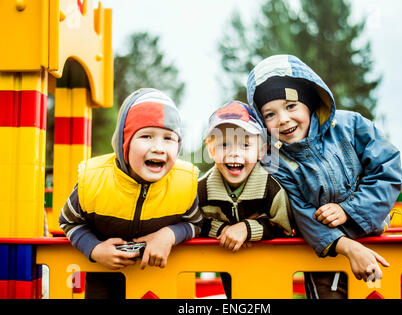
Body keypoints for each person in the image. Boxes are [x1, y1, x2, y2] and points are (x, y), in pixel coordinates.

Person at [246, 54, 402, 299]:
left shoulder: (350, 126)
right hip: (327, 252)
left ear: (309, 103)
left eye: (291, 106)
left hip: (377, 241)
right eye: (270, 115)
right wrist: (348, 247)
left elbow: (387, 170)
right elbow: (302, 213)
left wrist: (349, 210)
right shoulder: (275, 161)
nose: (284, 119)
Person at [59, 88, 203, 299]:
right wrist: (95, 249)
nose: (159, 148)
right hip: (104, 282)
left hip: (159, 281)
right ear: (123, 144)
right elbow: (69, 222)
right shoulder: (94, 180)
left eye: (169, 139)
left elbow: (195, 223)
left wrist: (168, 235)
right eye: (146, 136)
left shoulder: (184, 183)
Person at [199, 100, 293, 298]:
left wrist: (247, 228)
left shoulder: (271, 188)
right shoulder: (202, 189)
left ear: (260, 150)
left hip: (274, 273)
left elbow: (286, 227)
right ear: (210, 149)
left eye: (245, 144)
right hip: (230, 270)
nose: (234, 153)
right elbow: (195, 222)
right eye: (224, 144)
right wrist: (223, 230)